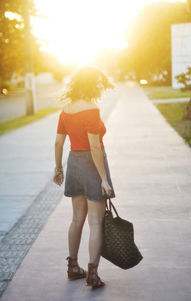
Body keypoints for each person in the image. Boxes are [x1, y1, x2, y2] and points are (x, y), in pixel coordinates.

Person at [53, 65, 116, 288]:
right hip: (91, 165)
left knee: (76, 219)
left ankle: (72, 267)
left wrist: (58, 169)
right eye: (97, 83)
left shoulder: (66, 110)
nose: (100, 87)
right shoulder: (91, 110)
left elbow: (59, 142)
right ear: (91, 84)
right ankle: (92, 274)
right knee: (96, 221)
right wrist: (104, 179)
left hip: (73, 164)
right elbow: (94, 147)